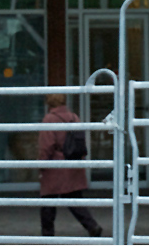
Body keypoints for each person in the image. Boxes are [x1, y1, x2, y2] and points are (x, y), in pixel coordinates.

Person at [38, 94, 103, 238]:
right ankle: (92, 226)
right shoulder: (74, 117)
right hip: (73, 163)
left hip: (55, 165)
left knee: (48, 201)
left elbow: (46, 146)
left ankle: (47, 233)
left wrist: (41, 164)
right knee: (74, 199)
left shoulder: (49, 119)